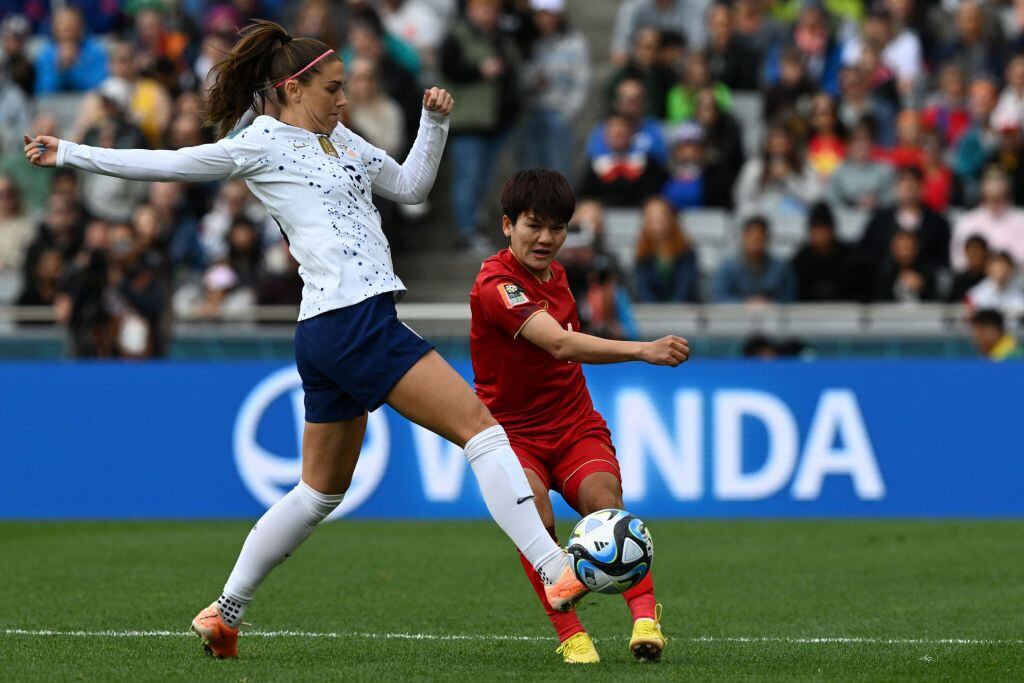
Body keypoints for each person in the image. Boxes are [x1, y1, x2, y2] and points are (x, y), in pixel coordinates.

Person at [25, 20, 587, 659]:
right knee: (481, 430)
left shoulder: (339, 138)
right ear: (293, 88)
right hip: (354, 322)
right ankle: (551, 565)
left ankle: (226, 610)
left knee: (320, 491)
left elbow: (410, 187)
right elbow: (171, 165)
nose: (344, 101)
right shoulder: (260, 143)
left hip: (326, 329)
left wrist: (433, 127)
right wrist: (70, 152)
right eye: (333, 89)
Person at [470, 169, 688, 664]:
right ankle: (572, 635)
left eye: (558, 228)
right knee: (536, 518)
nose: (546, 239)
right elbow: (560, 343)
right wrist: (643, 350)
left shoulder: (560, 274)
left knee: (604, 501)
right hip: (513, 436)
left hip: (572, 425)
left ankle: (645, 620)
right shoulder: (496, 284)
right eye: (533, 226)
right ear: (508, 226)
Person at [439, 0, 523, 251]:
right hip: (468, 120)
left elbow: (513, 68)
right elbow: (447, 69)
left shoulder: (500, 37)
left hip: (496, 121)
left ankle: (477, 224)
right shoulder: (456, 36)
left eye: (493, 9)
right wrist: (479, 69)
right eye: (483, 8)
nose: (489, 14)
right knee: (468, 177)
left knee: (485, 179)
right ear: (470, 10)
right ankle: (466, 231)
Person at [520, 0, 590, 178]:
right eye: (540, 14)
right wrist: (533, 81)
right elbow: (517, 76)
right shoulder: (526, 41)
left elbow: (582, 81)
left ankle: (559, 206)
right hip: (530, 113)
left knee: (558, 171)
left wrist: (568, 113)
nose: (545, 19)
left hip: (559, 114)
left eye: (549, 14)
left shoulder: (575, 43)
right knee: (529, 173)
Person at [950, 166, 1024, 271]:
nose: (994, 203)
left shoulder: (1021, 219)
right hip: (975, 279)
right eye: (990, 198)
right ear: (983, 196)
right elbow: (958, 260)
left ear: (1008, 195)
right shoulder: (966, 221)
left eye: (999, 197)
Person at [711, 215, 795, 303]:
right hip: (735, 316)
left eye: (761, 235)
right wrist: (745, 304)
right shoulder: (726, 268)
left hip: (773, 314)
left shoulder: (781, 267)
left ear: (768, 238)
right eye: (752, 235)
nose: (756, 239)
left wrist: (769, 304)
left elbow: (789, 299)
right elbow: (718, 298)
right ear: (743, 237)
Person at [634, 196, 700, 302]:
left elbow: (685, 288)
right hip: (652, 314)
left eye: (660, 218)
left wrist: (673, 314)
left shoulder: (686, 251)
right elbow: (643, 291)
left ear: (670, 219)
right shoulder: (642, 255)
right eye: (651, 219)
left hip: (684, 312)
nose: (656, 225)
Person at [791, 201, 859, 301]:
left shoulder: (851, 259)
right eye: (816, 231)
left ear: (831, 231)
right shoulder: (801, 260)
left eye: (823, 231)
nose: (820, 237)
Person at [966, 251, 1024, 320]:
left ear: (1010, 269)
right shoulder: (976, 294)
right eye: (996, 269)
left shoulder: (1019, 292)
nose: (1000, 272)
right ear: (987, 270)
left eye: (1003, 269)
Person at [948, 234, 989, 302]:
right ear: (966, 252)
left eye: (978, 250)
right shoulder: (959, 281)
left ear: (985, 253)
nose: (974, 254)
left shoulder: (991, 281)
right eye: (971, 250)